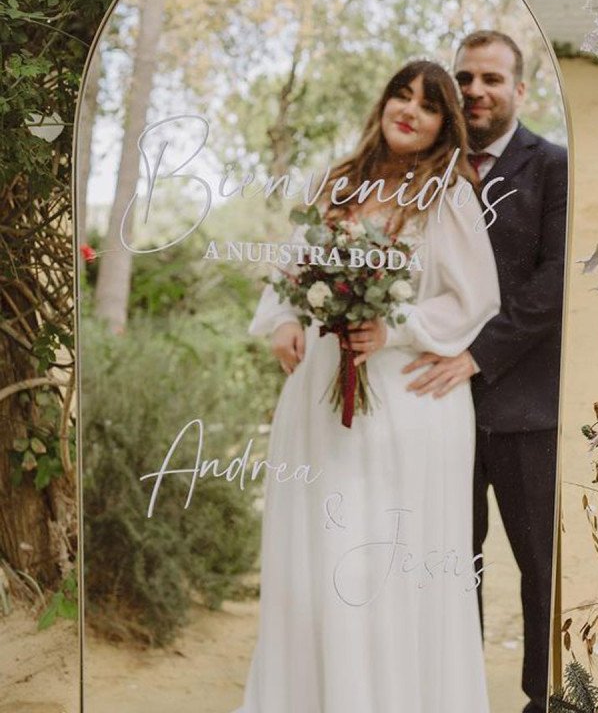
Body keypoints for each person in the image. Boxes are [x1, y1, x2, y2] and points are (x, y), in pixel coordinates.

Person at [235, 60, 501, 713]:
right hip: (321, 391)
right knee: (318, 559)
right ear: (383, 102)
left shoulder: (449, 192)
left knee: (375, 557)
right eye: (400, 95)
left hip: (405, 398)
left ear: (446, 125)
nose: (408, 110)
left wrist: (395, 325)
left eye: (428, 104)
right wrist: (283, 322)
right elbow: (292, 268)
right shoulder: (338, 181)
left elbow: (476, 297)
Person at [404, 31, 567, 713]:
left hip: (525, 406)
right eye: (465, 78)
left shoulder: (552, 166)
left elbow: (554, 281)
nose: (476, 90)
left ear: (519, 90)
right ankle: (454, 693)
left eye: (491, 79)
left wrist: (480, 352)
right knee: (447, 562)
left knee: (538, 567)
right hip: (437, 407)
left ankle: (545, 697)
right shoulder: (423, 174)